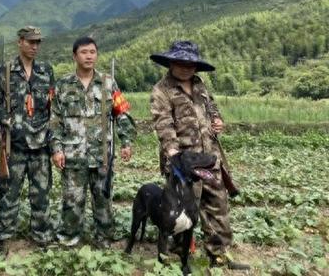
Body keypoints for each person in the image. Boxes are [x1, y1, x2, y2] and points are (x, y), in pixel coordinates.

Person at [149, 40, 250, 270]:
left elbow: (211, 107)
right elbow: (163, 123)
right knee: (182, 207)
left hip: (209, 157)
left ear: (196, 66)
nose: (186, 68)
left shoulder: (200, 85)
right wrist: (172, 152)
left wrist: (217, 120)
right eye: (181, 63)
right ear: (171, 63)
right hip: (182, 163)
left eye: (191, 64)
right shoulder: (161, 90)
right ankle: (177, 251)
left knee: (217, 204)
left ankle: (219, 254)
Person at [49, 36, 136, 248]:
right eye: (84, 52)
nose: (89, 56)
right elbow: (54, 120)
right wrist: (56, 149)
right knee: (72, 202)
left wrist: (126, 142)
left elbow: (121, 113)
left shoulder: (108, 83)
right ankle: (69, 239)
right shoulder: (62, 85)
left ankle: (104, 239)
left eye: (92, 52)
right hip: (73, 156)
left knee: (103, 200)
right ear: (74, 56)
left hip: (101, 155)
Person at [0, 26, 55, 254]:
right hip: (13, 146)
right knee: (8, 193)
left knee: (42, 194)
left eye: (38, 42)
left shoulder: (46, 71)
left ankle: (42, 235)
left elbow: (51, 105)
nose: (34, 46)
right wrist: (11, 123)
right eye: (30, 42)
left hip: (41, 146)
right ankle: (4, 237)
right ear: (20, 42)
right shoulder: (4, 72)